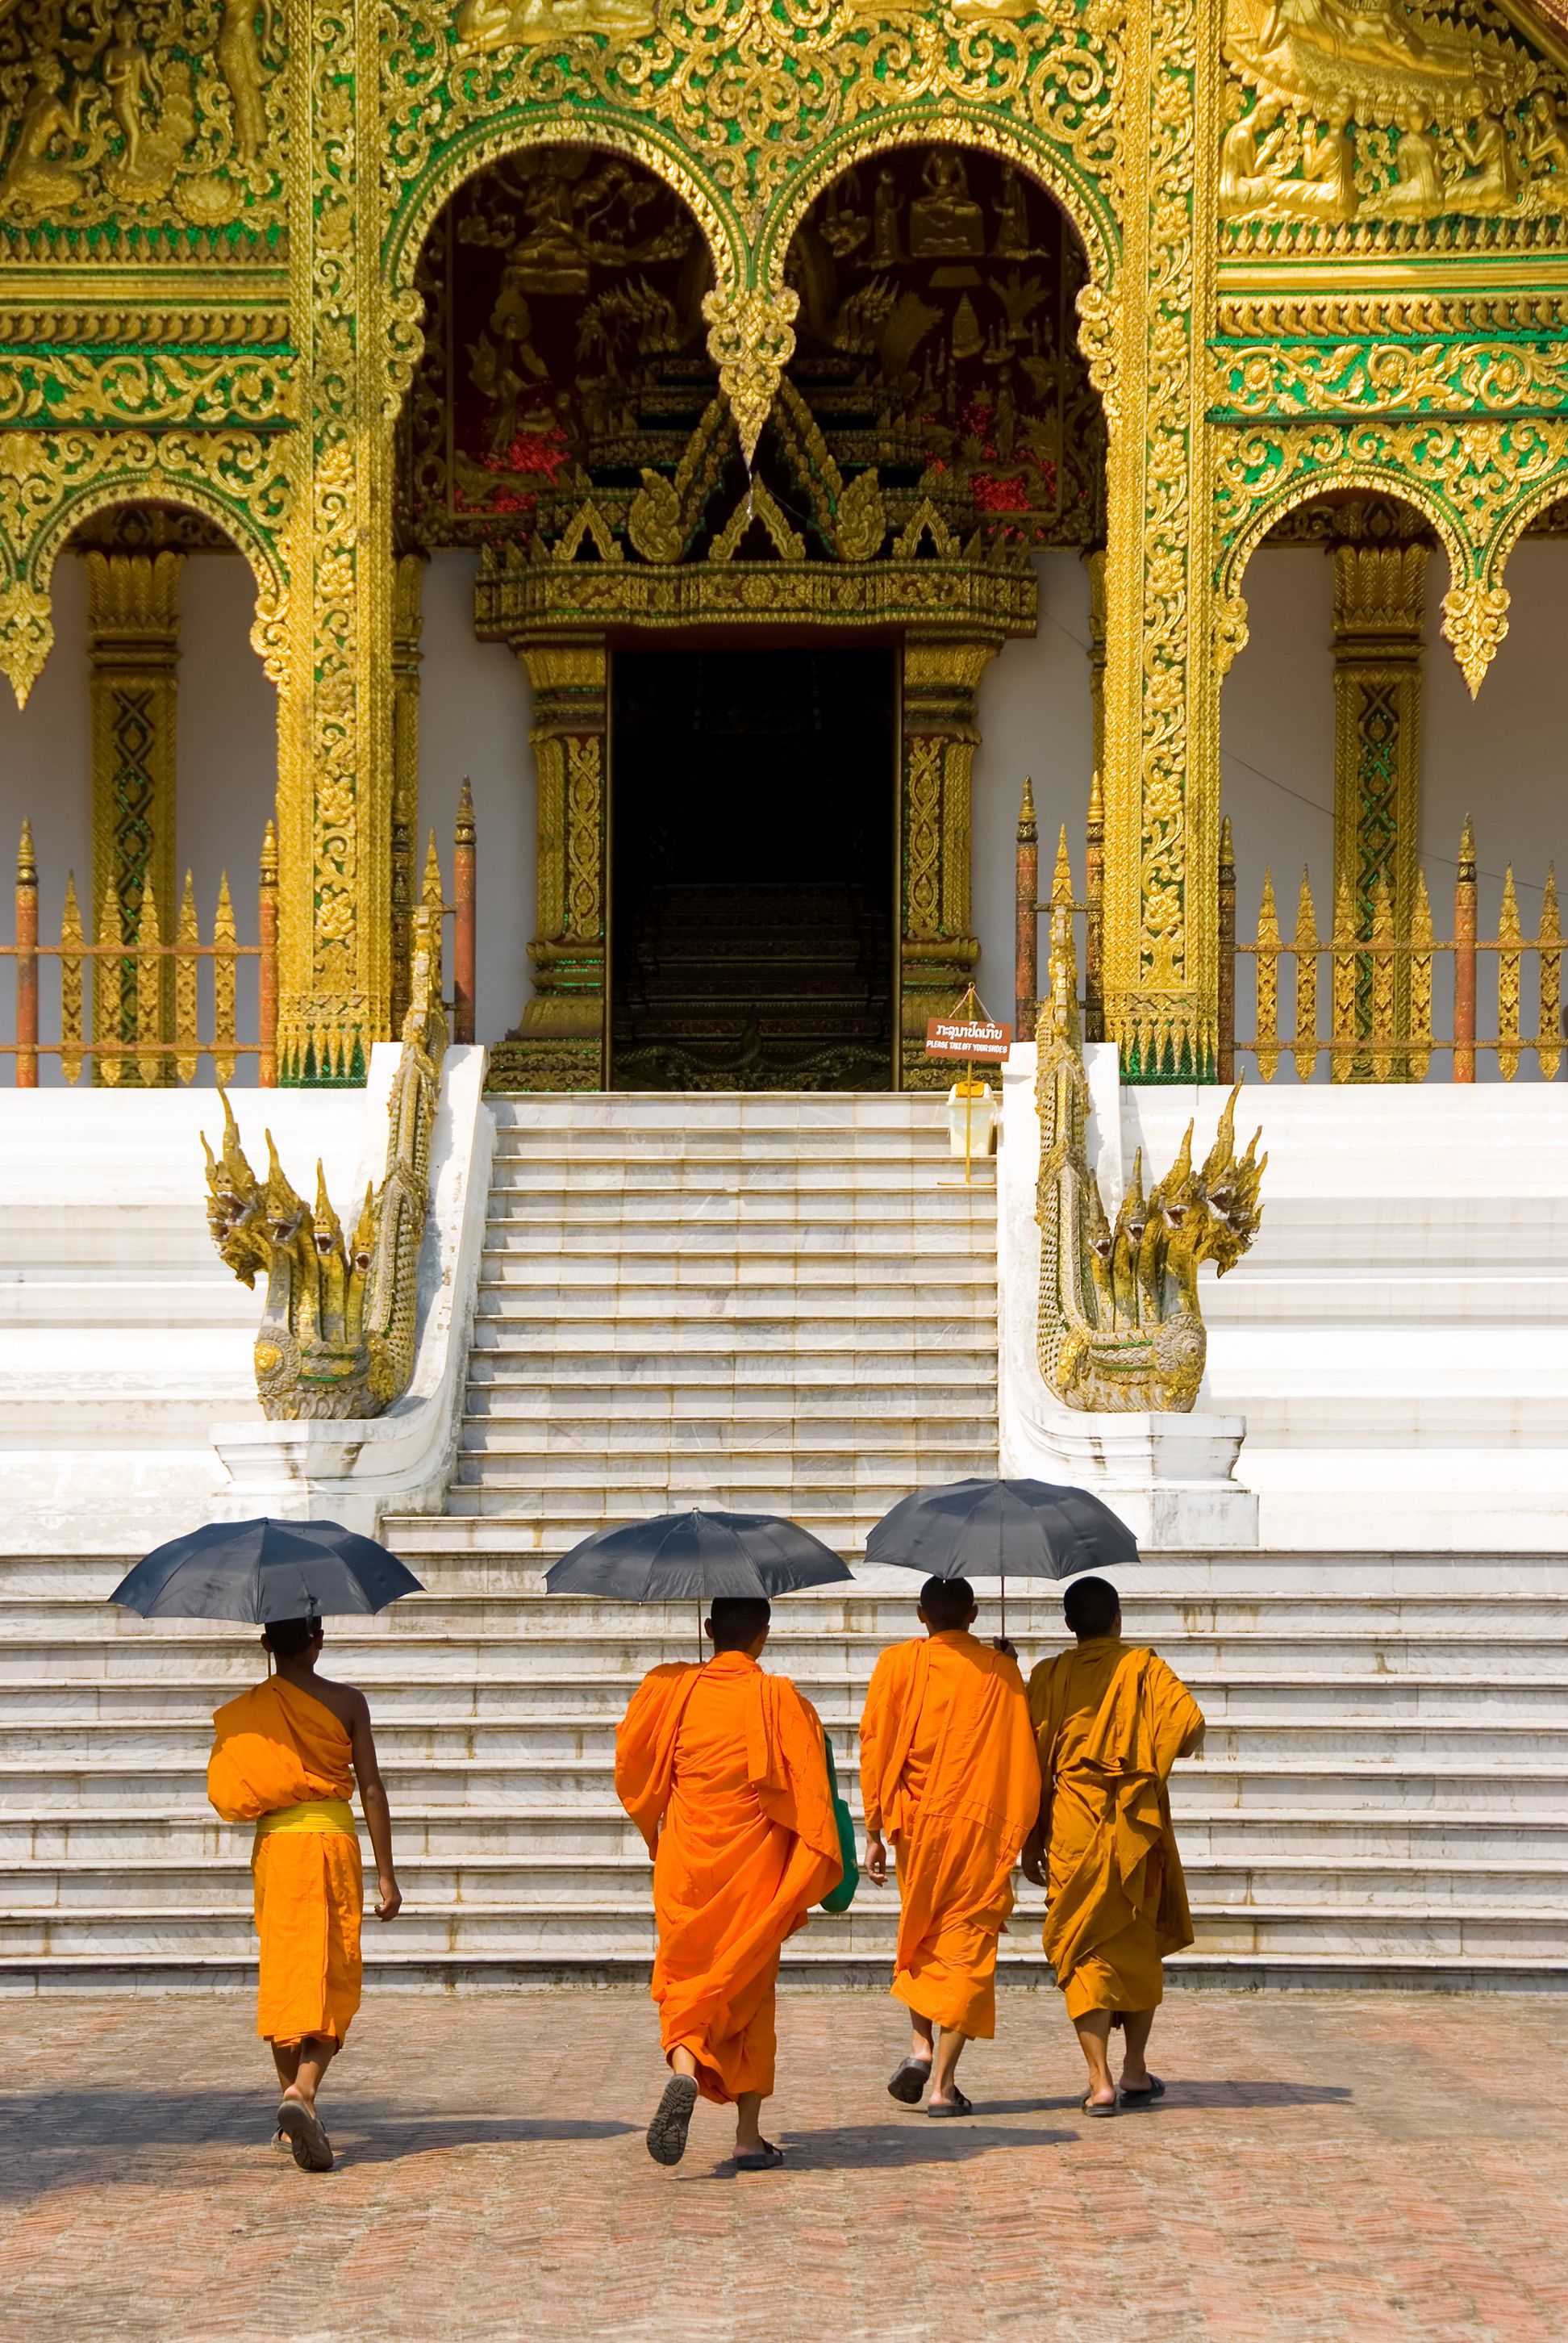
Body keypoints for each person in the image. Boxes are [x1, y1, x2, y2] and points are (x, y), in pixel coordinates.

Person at [615, 1597, 842, 2173]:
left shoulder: (668, 1691)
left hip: (688, 1867)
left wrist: (689, 1689)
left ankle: (685, 2069)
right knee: (748, 1993)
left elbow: (632, 1764)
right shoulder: (781, 1700)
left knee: (686, 1979)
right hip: (753, 1873)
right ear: (765, 1635)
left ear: (710, 1629)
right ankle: (747, 2137)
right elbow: (812, 1793)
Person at [206, 1615, 402, 2172]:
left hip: (278, 1850)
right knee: (333, 1974)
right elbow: (370, 1787)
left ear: (267, 1642)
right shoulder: (348, 1703)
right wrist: (387, 1874)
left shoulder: (248, 1715)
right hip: (334, 1845)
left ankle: (295, 2113)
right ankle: (304, 2094)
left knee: (285, 1973)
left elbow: (226, 1794)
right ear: (320, 1640)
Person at [860, 1577, 1040, 2117]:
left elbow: (875, 1744)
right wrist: (1005, 1669)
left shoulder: (897, 1664)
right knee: (968, 1944)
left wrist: (872, 1831)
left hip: (917, 1827)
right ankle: (942, 2085)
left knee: (920, 1933)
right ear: (976, 1614)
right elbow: (1020, 1753)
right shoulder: (999, 1671)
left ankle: (920, 2046)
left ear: (921, 1615)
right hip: (980, 1830)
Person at [1023, 1576, 1203, 2116]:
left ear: (1069, 1625)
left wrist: (1032, 1838)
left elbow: (1029, 1759)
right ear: (1118, 1619)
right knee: (1135, 1944)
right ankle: (1135, 2069)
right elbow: (1191, 1726)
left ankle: (1099, 2081)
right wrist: (1149, 1752)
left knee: (1084, 1951)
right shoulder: (1143, 1668)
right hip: (1132, 1827)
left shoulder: (1048, 1675)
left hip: (1072, 1825)